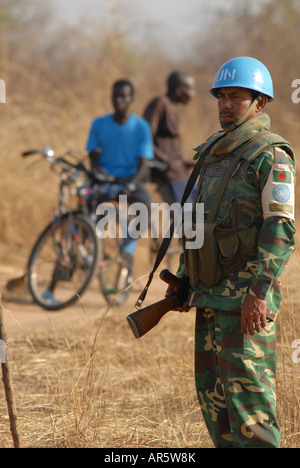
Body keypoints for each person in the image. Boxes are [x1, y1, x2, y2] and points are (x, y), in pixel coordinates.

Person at [169, 57, 296, 448]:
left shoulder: (270, 155)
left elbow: (281, 227)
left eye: (236, 97)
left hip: (245, 305)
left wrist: (259, 294)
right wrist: (183, 278)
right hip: (209, 296)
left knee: (251, 414)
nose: (225, 104)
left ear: (260, 103)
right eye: (221, 97)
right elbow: (199, 219)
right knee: (216, 407)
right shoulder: (214, 150)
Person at [85, 79, 154, 269]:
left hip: (130, 180)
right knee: (85, 206)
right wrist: (96, 171)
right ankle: (84, 252)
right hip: (105, 179)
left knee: (146, 208)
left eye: (123, 96)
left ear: (131, 99)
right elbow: (93, 157)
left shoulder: (141, 127)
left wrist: (130, 186)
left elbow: (144, 164)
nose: (119, 100)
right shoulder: (99, 124)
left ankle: (128, 249)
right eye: (115, 96)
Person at [143, 71, 196, 204]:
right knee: (184, 215)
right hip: (166, 172)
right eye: (190, 89)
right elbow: (144, 139)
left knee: (196, 209)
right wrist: (167, 161)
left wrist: (185, 160)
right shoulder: (160, 103)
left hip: (178, 171)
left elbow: (168, 145)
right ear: (178, 90)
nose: (192, 94)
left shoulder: (171, 107)